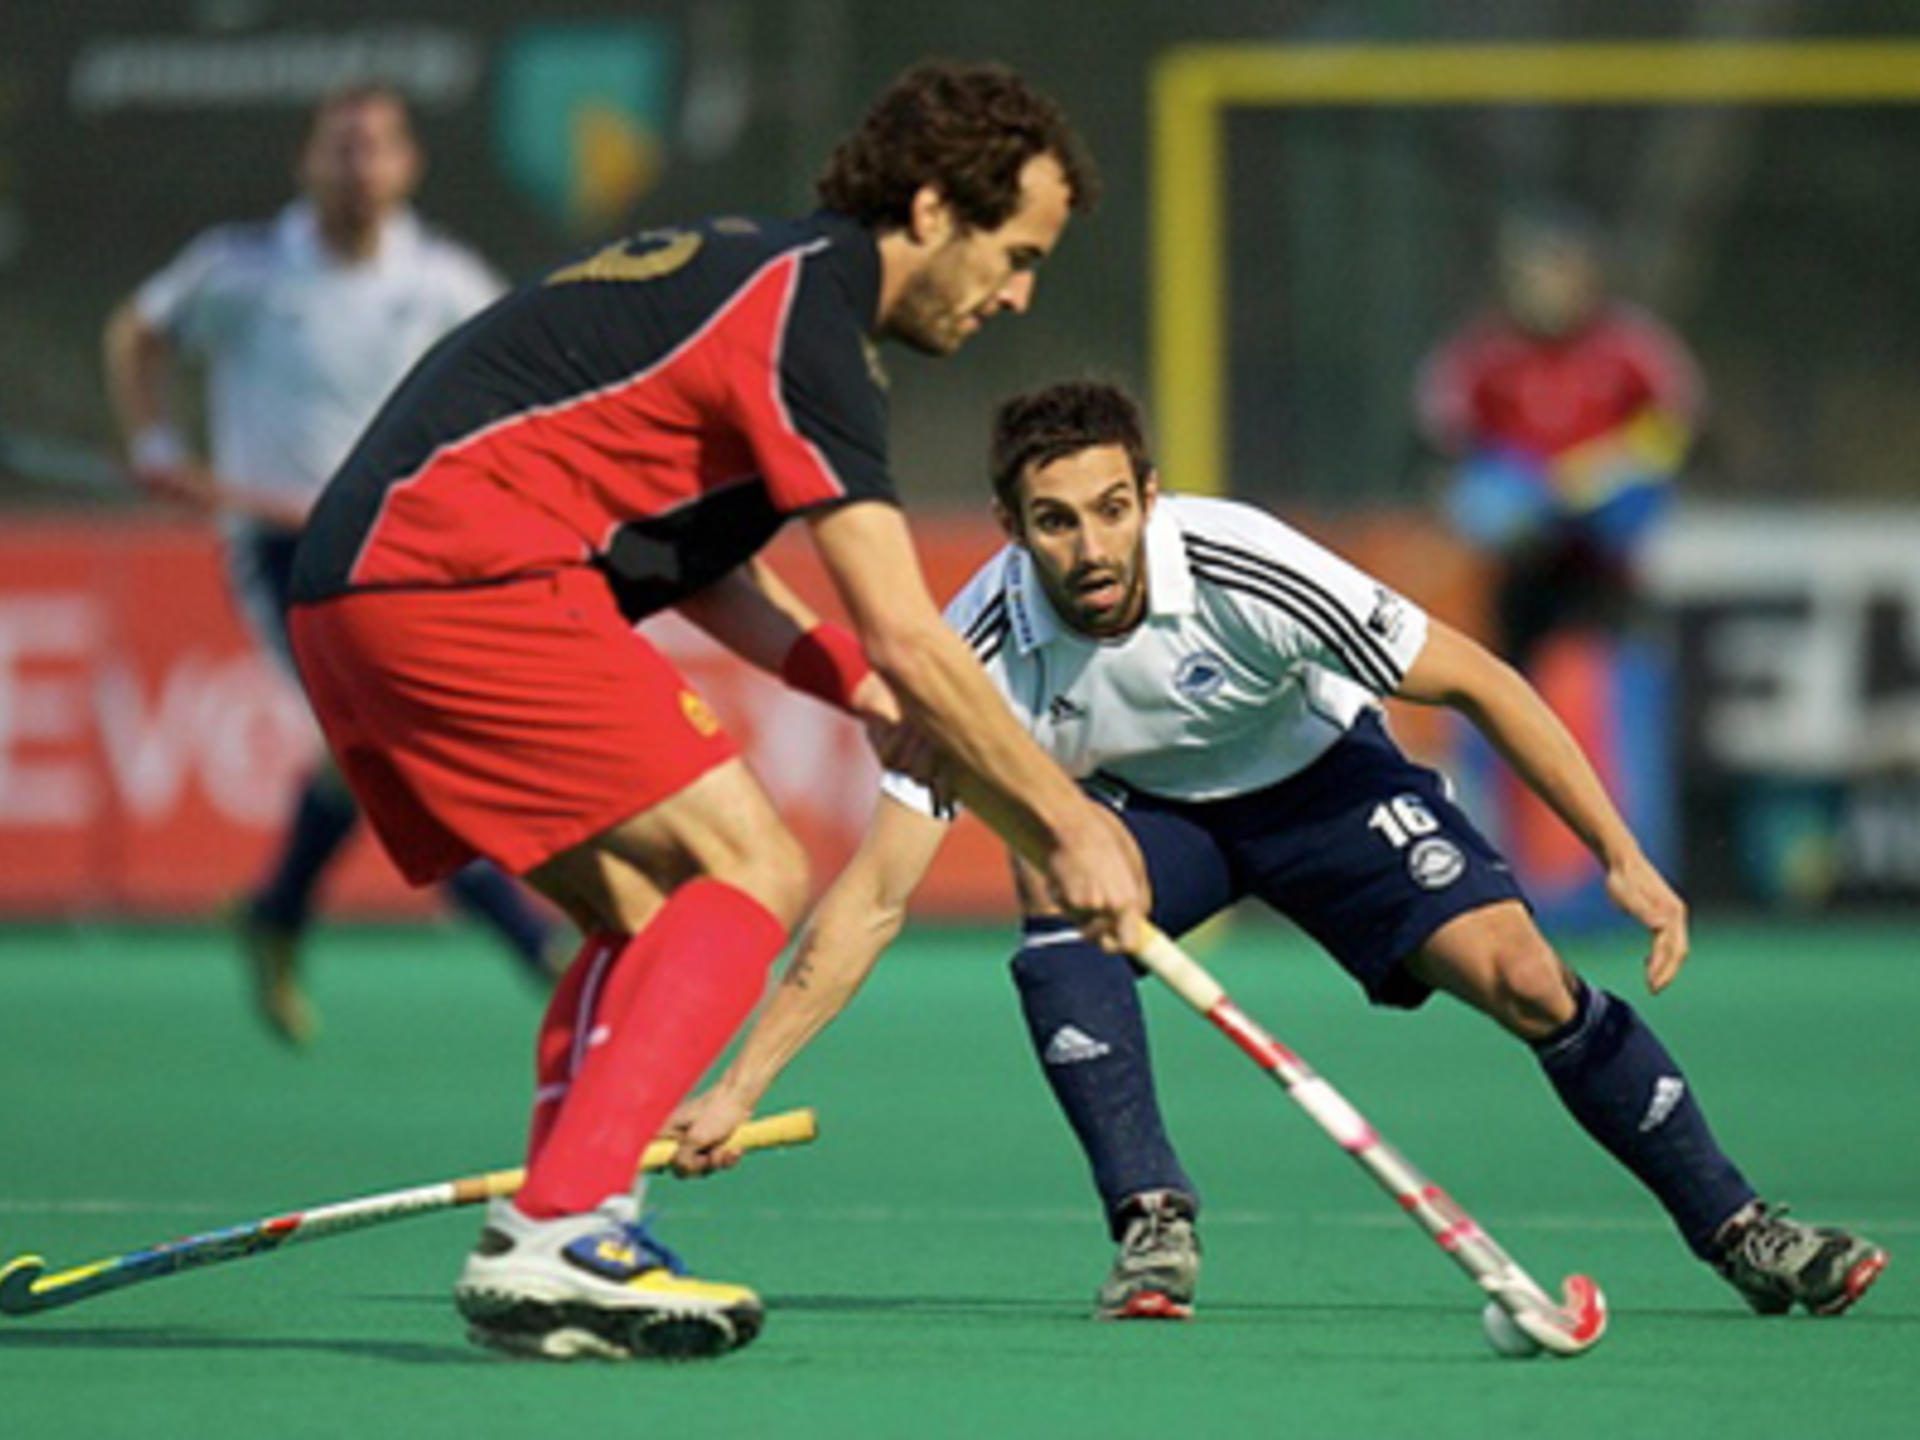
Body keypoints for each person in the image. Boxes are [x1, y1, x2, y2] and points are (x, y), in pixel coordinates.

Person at [668, 379, 1887, 1325]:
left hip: (1327, 791)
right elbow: (873, 899)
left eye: (1109, 510)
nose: (1089, 550)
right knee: (1051, 873)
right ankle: (1152, 1223)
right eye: (1053, 522)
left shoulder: (1246, 563)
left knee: (1528, 981)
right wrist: (737, 1083)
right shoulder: (977, 640)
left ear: (1148, 494)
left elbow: (1479, 680)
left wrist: (1617, 853)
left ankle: (1742, 1232)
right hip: (1156, 822)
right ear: (1011, 526)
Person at [283, 63, 1149, 1361]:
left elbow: (711, 570)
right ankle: (566, 1218)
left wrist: (853, 692)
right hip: (460, 570)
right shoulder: (806, 314)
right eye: (1014, 253)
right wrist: (1066, 822)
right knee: (754, 863)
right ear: (930, 211)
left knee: (642, 918)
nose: (1018, 292)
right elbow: (913, 626)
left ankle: (561, 1242)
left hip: (352, 590)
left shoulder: (771, 290)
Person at [103, 83, 560, 1046]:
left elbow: (515, 380)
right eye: (340, 147)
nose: (358, 165)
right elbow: (136, 333)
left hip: (405, 551)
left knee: (362, 757)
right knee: (389, 745)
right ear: (309, 162)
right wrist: (153, 443)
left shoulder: (441, 278)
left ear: (407, 166)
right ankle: (534, 942)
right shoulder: (243, 268)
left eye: (377, 147)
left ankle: (275, 911)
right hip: (284, 553)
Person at [1414, 206, 1703, 668]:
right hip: (1522, 542)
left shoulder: (1631, 345)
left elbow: (1676, 423)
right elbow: (1444, 431)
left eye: (1559, 274)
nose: (1546, 290)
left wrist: (1606, 469)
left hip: (1604, 537)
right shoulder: (1484, 351)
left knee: (1623, 646)